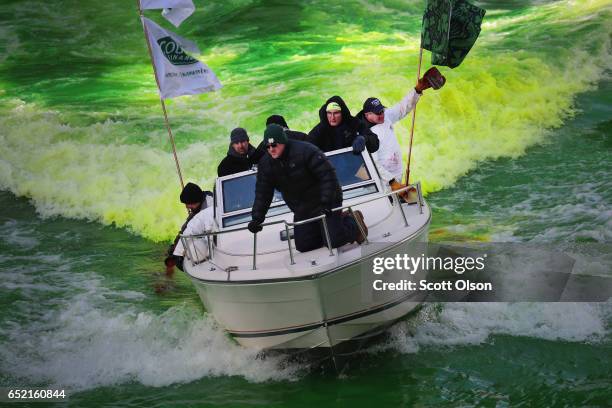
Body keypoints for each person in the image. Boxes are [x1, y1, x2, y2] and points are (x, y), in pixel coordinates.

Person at [248, 124, 368, 252]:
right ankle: (332, 225)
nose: (271, 149)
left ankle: (353, 222)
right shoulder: (266, 164)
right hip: (302, 208)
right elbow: (263, 193)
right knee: (304, 246)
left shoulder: (306, 150)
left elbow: (328, 177)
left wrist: (327, 202)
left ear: (283, 142)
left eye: (274, 145)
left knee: (334, 241)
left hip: (327, 200)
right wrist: (257, 219)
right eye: (268, 146)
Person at [357, 67, 446, 199]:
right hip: (383, 184)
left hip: (397, 178)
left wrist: (417, 90)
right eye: (377, 113)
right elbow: (372, 164)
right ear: (367, 115)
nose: (381, 114)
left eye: (381, 110)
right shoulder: (364, 134)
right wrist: (392, 182)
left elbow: (402, 108)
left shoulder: (385, 116)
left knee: (412, 204)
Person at [165, 182, 213, 272]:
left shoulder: (209, 207)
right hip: (197, 221)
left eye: (188, 203)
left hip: (210, 231)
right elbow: (186, 229)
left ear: (196, 200)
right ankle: (172, 256)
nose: (187, 206)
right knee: (175, 247)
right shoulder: (199, 204)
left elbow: (209, 234)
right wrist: (176, 249)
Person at [307, 96, 379, 154]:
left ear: (342, 113)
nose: (332, 117)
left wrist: (364, 139)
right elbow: (306, 147)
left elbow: (375, 143)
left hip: (355, 165)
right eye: (329, 113)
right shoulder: (319, 130)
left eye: (336, 113)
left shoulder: (354, 123)